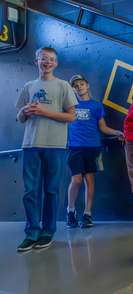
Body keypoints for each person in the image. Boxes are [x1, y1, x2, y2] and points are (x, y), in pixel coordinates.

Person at [15, 46, 78, 251]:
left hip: (55, 145)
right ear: (36, 61)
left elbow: (71, 117)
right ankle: (32, 232)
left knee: (51, 191)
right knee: (30, 192)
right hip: (31, 145)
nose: (48, 62)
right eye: (44, 59)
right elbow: (20, 118)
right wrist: (24, 111)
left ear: (56, 63)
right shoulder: (28, 86)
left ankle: (48, 233)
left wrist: (44, 111)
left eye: (52, 59)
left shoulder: (62, 86)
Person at [66, 75, 123, 229]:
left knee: (90, 180)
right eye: (75, 85)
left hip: (93, 147)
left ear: (88, 85)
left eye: (81, 84)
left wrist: (118, 132)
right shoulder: (69, 105)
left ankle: (87, 215)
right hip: (75, 148)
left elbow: (103, 128)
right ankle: (70, 211)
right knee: (76, 180)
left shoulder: (96, 106)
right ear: (72, 89)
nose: (79, 87)